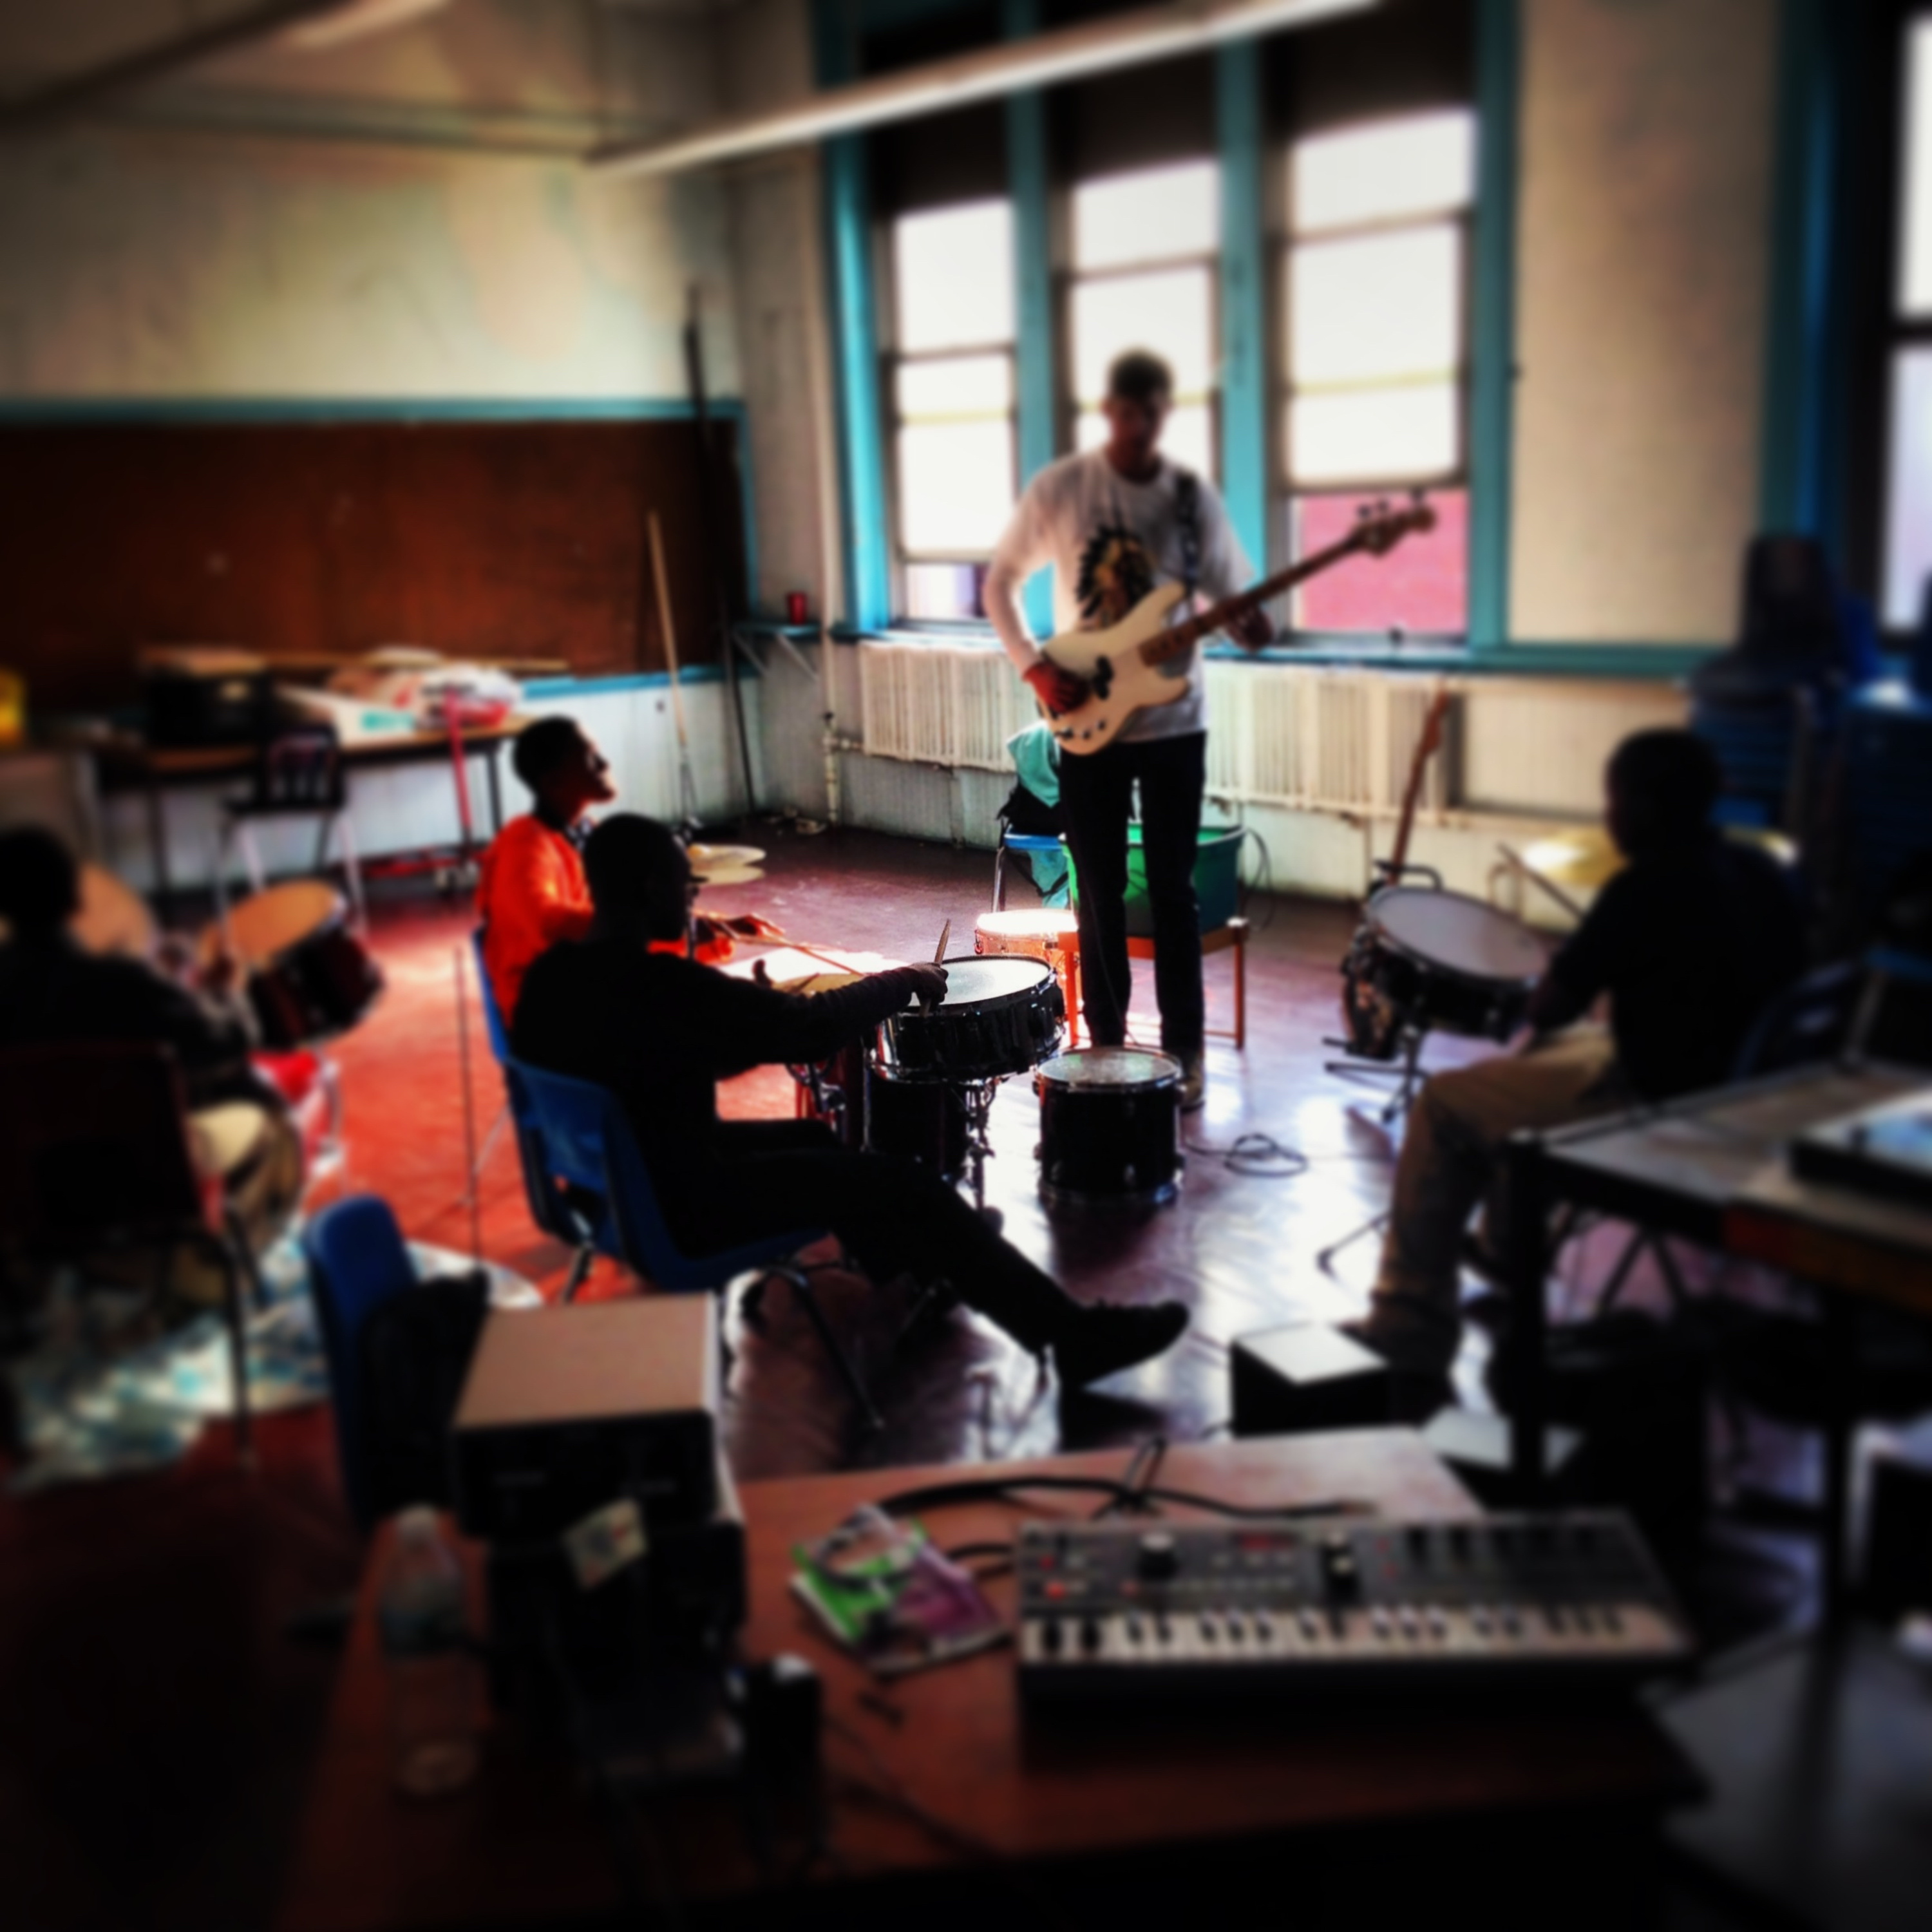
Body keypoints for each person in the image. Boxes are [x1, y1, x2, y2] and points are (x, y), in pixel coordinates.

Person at [512, 813, 1190, 1388]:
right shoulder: (664, 986)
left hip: (609, 1192)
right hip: (685, 1206)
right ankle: (1070, 1338)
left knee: (814, 1143)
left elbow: (656, 1061)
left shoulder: (549, 979)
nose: (691, 894)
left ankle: (925, 1262)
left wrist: (740, 1025)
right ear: (649, 888)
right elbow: (805, 1032)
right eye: (681, 881)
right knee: (905, 1184)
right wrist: (901, 982)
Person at [1348, 729, 1808, 1376]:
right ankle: (1506, 1248)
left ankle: (1407, 1322)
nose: (1609, 818)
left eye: (1614, 801)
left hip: (1662, 1104)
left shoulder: (1643, 888)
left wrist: (1575, 960)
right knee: (1554, 1053)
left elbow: (1548, 1007)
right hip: (1749, 1094)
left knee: (1444, 1104)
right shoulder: (1761, 873)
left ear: (1644, 806)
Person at [985, 349, 1273, 1111]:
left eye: (1151, 416)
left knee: (1174, 892)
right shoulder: (1065, 490)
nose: (1137, 429)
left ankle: (1185, 1053)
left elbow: (1233, 595)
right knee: (1098, 891)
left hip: (1176, 723)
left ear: (1161, 415)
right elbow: (1000, 581)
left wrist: (1251, 624)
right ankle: (1106, 1043)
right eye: (1125, 414)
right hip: (1089, 722)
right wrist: (1034, 668)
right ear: (1109, 411)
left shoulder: (1189, 498)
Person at [0, 826, 302, 1298]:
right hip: (143, 1186)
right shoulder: (121, 983)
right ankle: (203, 1275)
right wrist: (222, 992)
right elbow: (228, 1042)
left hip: (25, 1196)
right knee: (270, 1118)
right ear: (74, 899)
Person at [477, 715, 773, 1023]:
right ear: (553, 781)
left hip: (591, 981)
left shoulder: (587, 833)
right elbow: (549, 923)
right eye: (588, 757)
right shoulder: (524, 845)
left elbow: (627, 908)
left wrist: (717, 926)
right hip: (550, 1012)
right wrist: (685, 929)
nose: (604, 764)